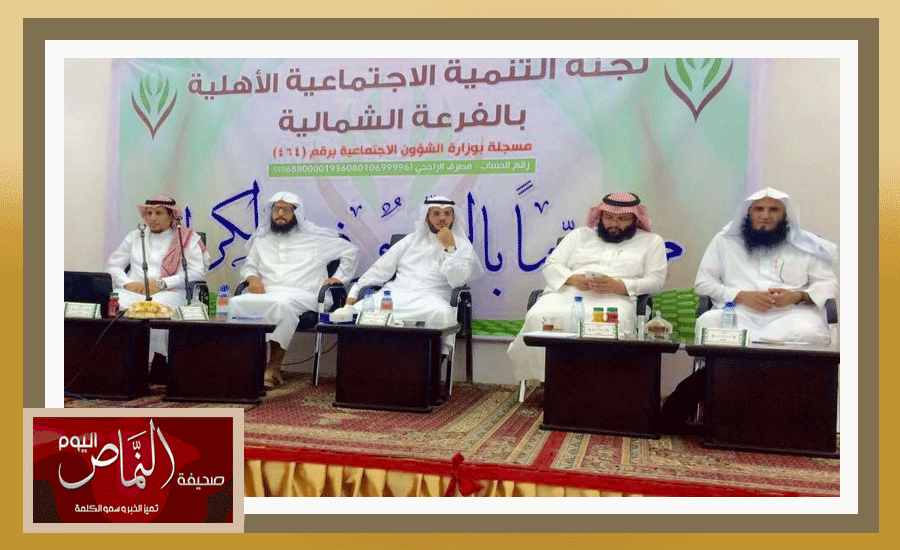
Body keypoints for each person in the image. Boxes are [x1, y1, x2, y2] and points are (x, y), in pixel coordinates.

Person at [660, 187, 838, 434]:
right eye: (759, 209)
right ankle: (722, 404)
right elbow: (704, 283)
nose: (765, 215)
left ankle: (795, 412)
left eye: (773, 209)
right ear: (748, 212)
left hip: (790, 316)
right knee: (709, 322)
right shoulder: (724, 241)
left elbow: (828, 284)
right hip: (738, 313)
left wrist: (796, 296)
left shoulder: (806, 244)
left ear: (785, 214)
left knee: (811, 332)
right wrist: (741, 296)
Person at [507, 192, 668, 383]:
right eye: (608, 217)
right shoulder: (579, 235)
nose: (614, 224)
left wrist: (619, 285)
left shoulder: (652, 241)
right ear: (600, 216)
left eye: (622, 219)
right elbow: (550, 265)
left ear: (635, 219)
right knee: (537, 315)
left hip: (617, 299)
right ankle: (550, 379)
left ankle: (601, 383)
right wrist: (571, 278)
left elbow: (656, 280)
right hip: (567, 294)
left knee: (614, 324)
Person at [228, 191, 360, 389]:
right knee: (236, 302)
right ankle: (245, 366)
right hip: (268, 292)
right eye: (276, 209)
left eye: (286, 209)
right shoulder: (262, 239)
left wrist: (340, 277)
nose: (280, 213)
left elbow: (351, 251)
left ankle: (273, 368)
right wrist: (252, 278)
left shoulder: (316, 238)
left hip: (305, 293)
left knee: (283, 305)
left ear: (297, 213)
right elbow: (249, 266)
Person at [345, 196, 484, 350]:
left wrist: (450, 248)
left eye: (447, 213)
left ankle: (436, 360)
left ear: (453, 217)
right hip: (396, 294)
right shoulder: (410, 241)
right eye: (436, 213)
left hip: (432, 298)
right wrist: (353, 295)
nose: (442, 218)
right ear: (427, 217)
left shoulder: (462, 246)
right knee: (358, 311)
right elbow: (380, 270)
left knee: (443, 313)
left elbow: (457, 281)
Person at [107, 195, 209, 375]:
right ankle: (122, 361)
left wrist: (162, 283)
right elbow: (113, 266)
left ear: (172, 216)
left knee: (157, 307)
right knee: (114, 303)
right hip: (134, 291)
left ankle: (160, 360)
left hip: (171, 292)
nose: (152, 218)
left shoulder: (186, 239)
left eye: (159, 213)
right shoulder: (135, 237)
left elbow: (196, 272)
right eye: (149, 213)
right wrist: (128, 283)